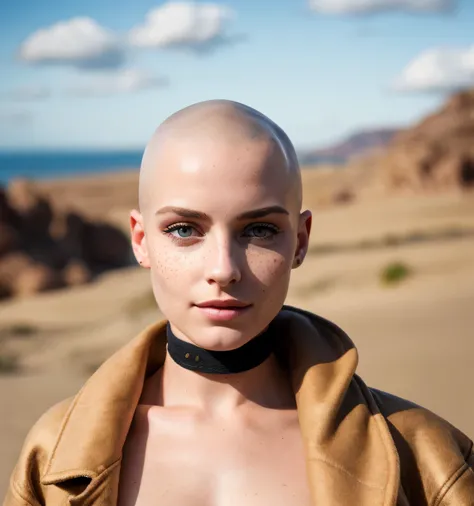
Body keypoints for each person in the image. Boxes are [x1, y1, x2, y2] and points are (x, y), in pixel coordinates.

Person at [3, 100, 473, 506]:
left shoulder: (425, 453)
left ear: (300, 241)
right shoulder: (55, 453)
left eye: (259, 230)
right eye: (184, 230)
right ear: (141, 241)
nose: (224, 268)